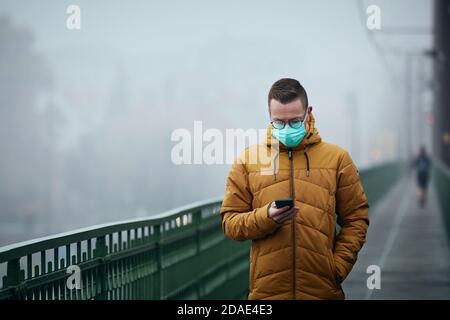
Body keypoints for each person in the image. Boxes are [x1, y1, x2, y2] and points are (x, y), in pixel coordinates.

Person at [220, 78, 369, 300]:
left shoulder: (338, 159)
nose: (287, 128)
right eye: (279, 122)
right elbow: (230, 222)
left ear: (308, 112)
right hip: (267, 294)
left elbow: (357, 218)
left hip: (322, 291)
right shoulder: (248, 161)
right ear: (269, 117)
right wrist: (266, 217)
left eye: (295, 121)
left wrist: (337, 268)